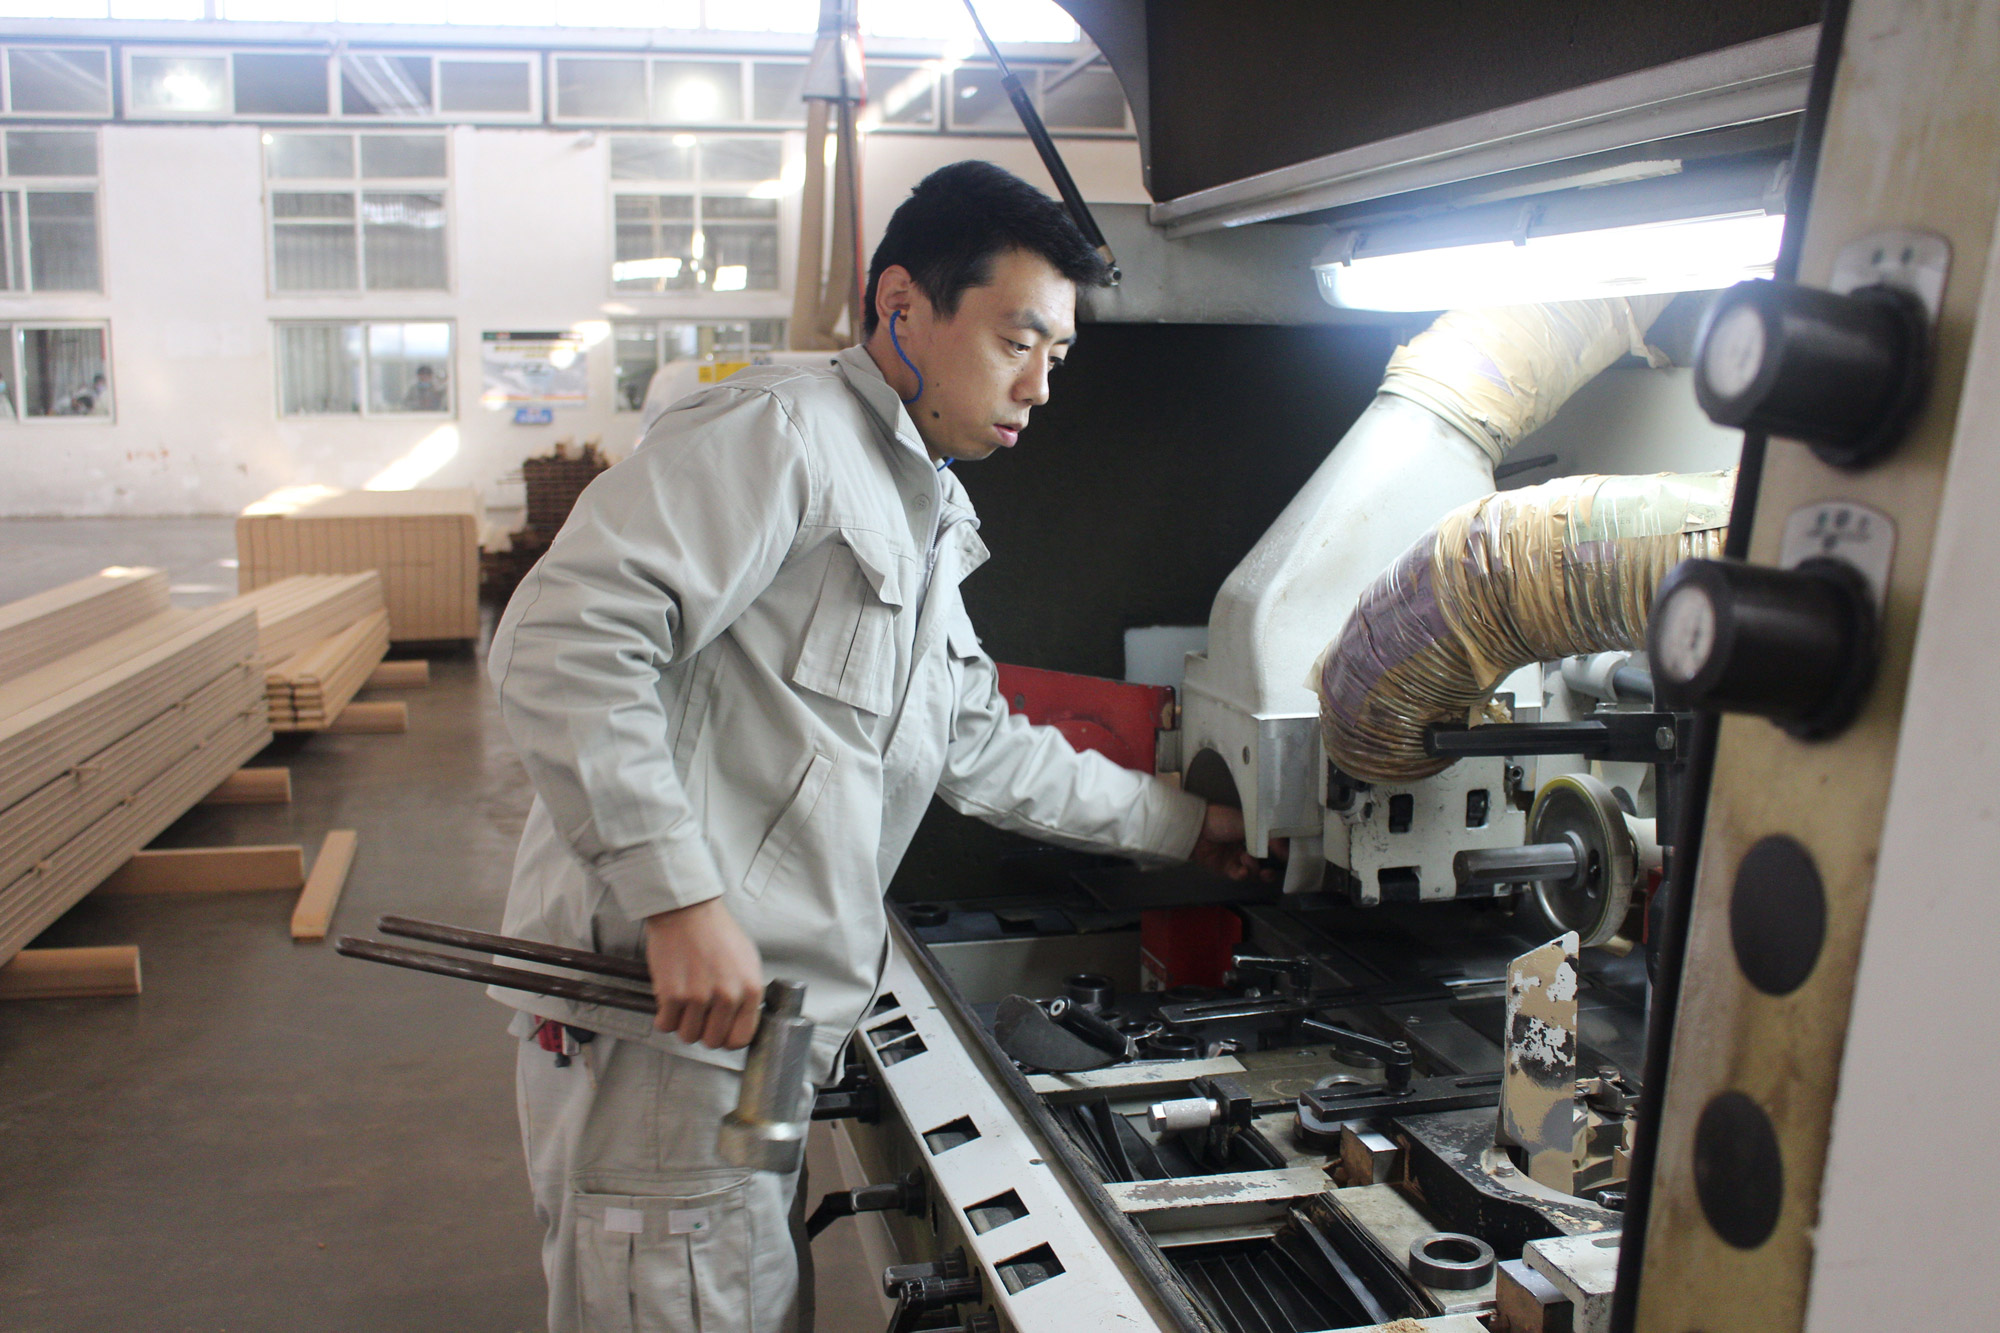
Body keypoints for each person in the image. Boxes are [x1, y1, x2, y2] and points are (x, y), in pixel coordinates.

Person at [487, 160, 1268, 1333]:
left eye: (1056, 355)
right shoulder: (783, 437)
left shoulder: (915, 501)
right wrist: (676, 897)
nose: (1038, 385)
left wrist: (1186, 826)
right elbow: (562, 642)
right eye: (1016, 340)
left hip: (763, 1034)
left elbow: (975, 744)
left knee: (753, 1294)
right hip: (663, 1031)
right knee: (686, 1292)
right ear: (902, 304)